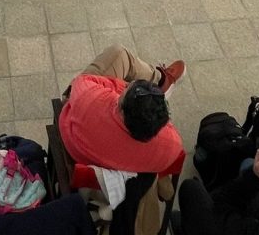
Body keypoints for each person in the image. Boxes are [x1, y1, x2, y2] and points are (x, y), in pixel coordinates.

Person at [59, 44, 185, 174]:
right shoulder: (171, 146)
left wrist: (124, 87)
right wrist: (152, 108)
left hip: (76, 142)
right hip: (109, 162)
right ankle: (160, 83)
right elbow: (168, 126)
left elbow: (81, 82)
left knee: (119, 54)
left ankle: (159, 79)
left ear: (122, 109)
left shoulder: (90, 99)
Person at [177, 149, 259, 235]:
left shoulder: (238, 229)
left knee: (191, 188)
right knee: (248, 163)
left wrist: (254, 177)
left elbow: (219, 203)